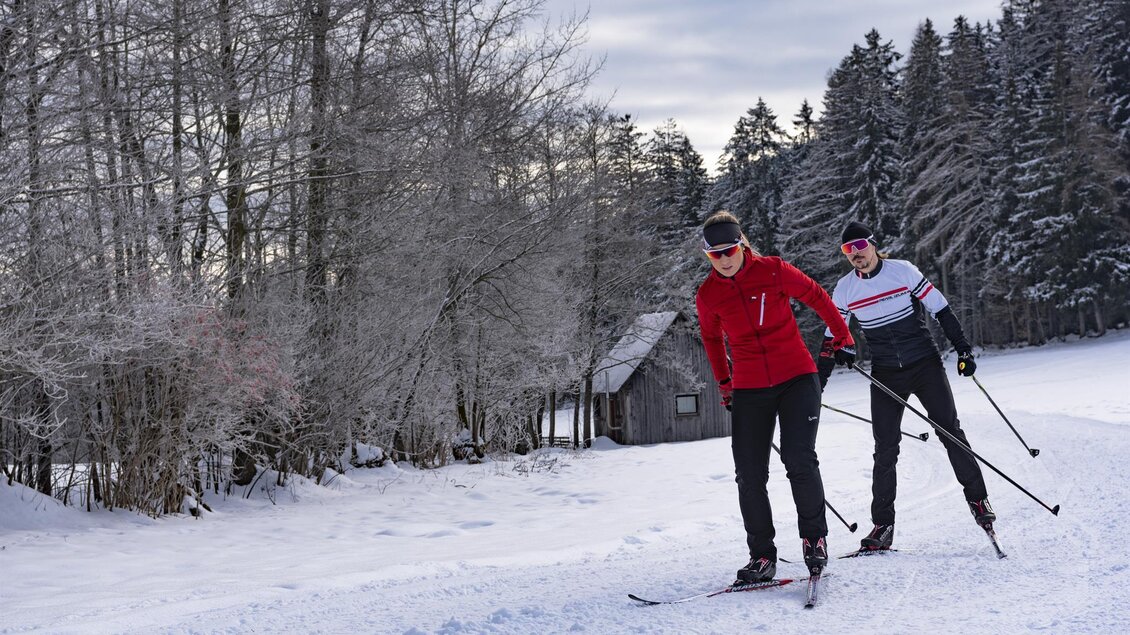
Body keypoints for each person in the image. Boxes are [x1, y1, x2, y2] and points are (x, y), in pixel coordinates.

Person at [694, 211, 855, 580]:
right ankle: (762, 556)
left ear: (742, 245)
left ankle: (814, 540)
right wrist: (725, 383)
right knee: (749, 475)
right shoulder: (708, 295)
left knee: (799, 460)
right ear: (707, 256)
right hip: (750, 387)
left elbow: (816, 295)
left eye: (729, 249)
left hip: (797, 377)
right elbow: (711, 339)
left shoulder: (773, 270)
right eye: (714, 254)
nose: (724, 259)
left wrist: (842, 336)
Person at [817, 220, 995, 552]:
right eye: (847, 250)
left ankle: (979, 501)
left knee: (950, 431)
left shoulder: (902, 271)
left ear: (872, 244)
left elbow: (941, 309)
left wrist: (964, 349)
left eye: (860, 247)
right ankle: (883, 525)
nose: (856, 255)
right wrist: (819, 384)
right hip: (885, 372)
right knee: (885, 448)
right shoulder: (844, 290)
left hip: (924, 364)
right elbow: (832, 338)